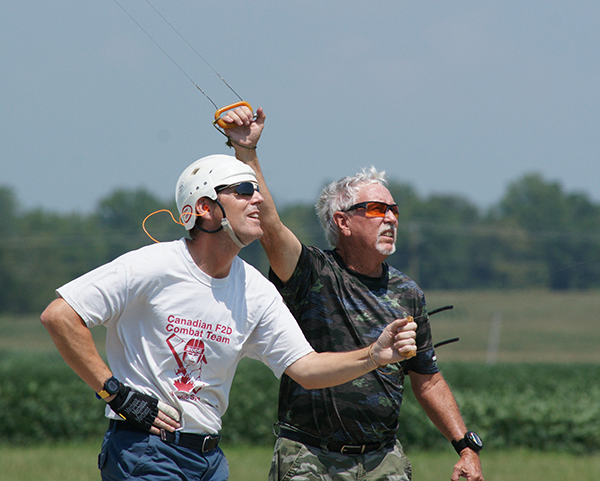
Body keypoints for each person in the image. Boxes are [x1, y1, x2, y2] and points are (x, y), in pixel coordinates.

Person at [40, 153, 418, 481]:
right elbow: (60, 315)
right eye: (242, 191)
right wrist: (116, 394)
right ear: (205, 208)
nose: (258, 201)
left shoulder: (256, 290)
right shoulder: (152, 265)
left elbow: (305, 368)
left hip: (209, 459)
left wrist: (374, 355)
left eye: (256, 190)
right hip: (145, 449)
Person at [223, 105, 485, 481]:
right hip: (311, 457)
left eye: (394, 210)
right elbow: (269, 225)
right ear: (342, 222)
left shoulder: (407, 291)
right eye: (377, 209)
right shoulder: (311, 272)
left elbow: (426, 377)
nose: (391, 218)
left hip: (383, 459)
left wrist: (465, 447)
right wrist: (246, 152)